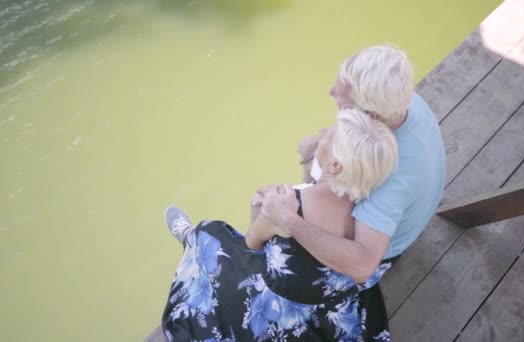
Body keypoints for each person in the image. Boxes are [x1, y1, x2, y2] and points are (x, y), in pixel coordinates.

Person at [161, 109, 398, 341]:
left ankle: (189, 238)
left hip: (280, 316)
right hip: (333, 311)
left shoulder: (289, 202)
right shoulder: (372, 214)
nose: (322, 136)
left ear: (335, 165)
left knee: (209, 232)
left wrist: (263, 205)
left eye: (328, 135)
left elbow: (251, 243)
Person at [261, 45, 446, 335]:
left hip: (379, 252)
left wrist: (290, 221)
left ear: (370, 116)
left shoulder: (390, 179)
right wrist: (323, 139)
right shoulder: (403, 103)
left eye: (343, 103)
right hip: (409, 214)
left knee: (270, 216)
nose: (330, 93)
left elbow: (363, 265)